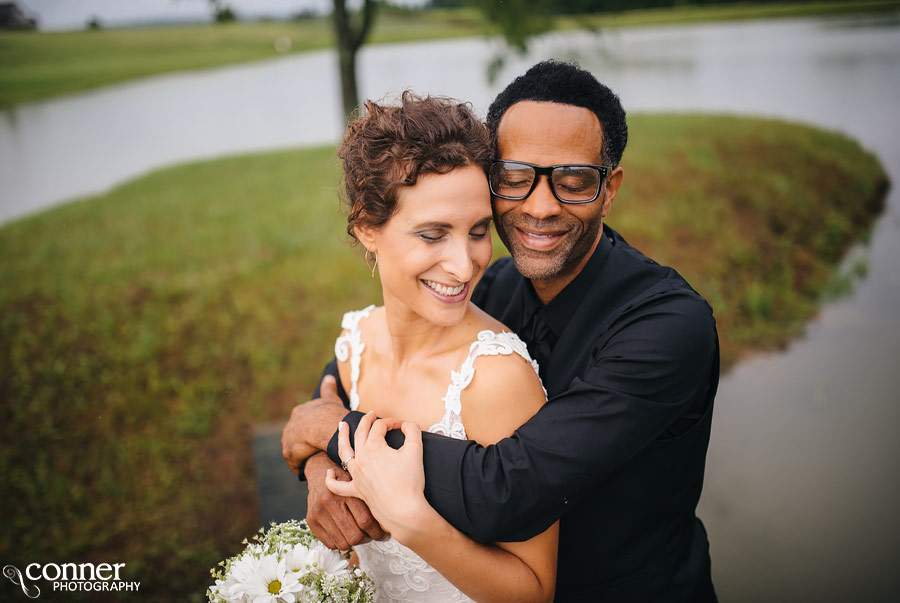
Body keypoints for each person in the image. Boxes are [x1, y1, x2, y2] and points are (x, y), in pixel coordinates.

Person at [283, 60, 719, 602]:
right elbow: (355, 369)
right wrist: (319, 461)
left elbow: (509, 487)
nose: (539, 206)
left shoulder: (669, 327)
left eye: (575, 181)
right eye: (515, 178)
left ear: (609, 190)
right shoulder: (488, 285)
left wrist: (328, 430)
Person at [312, 91, 559, 603]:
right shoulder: (354, 341)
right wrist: (318, 467)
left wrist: (410, 519)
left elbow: (534, 591)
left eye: (476, 232)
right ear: (367, 227)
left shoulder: (494, 377)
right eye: (433, 234)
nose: (464, 265)